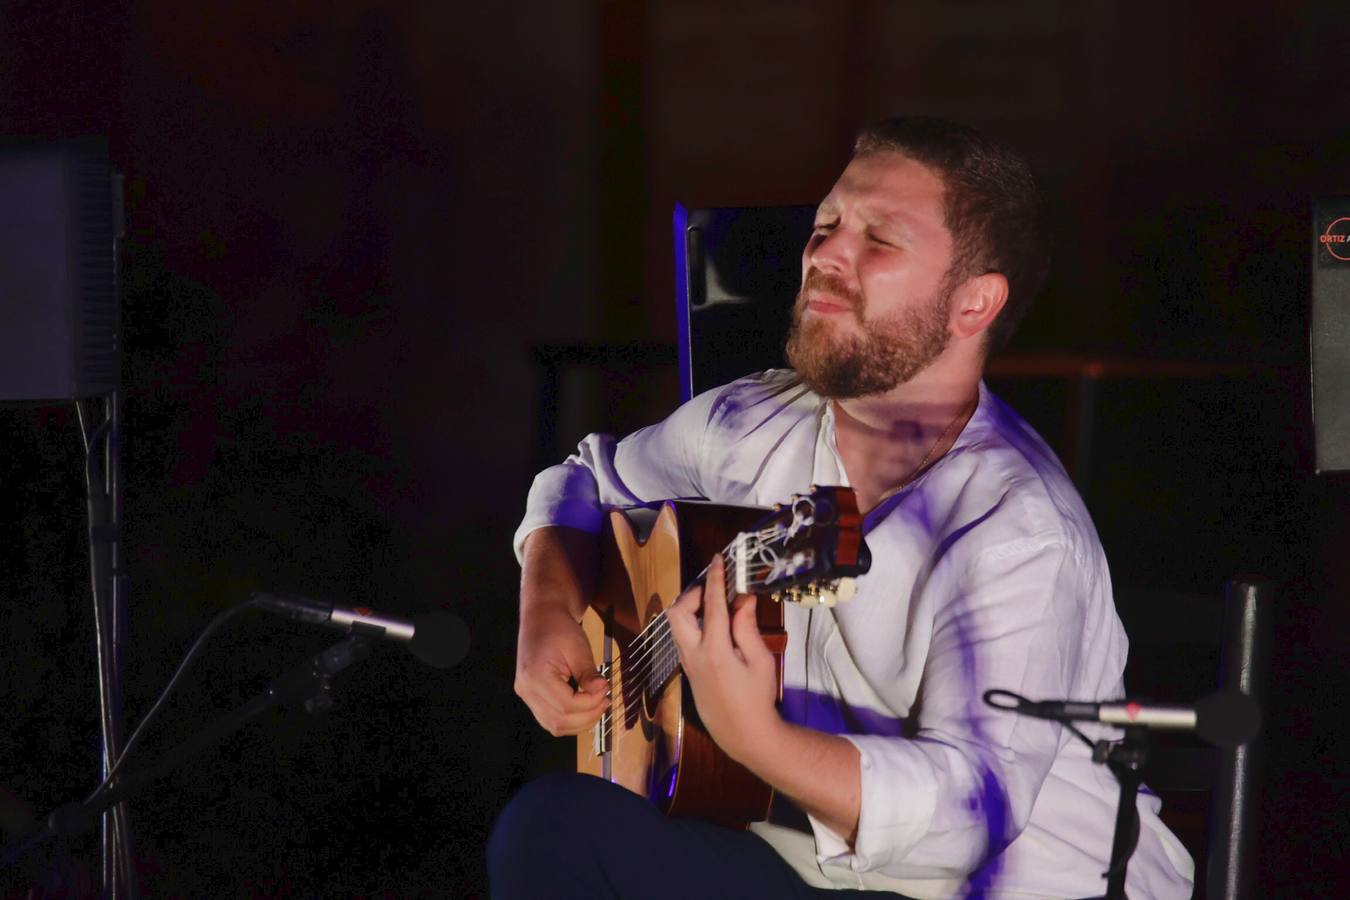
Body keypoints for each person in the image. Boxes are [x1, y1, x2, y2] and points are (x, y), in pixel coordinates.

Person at [491, 117, 1194, 898]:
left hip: (1012, 889)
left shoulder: (1015, 530)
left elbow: (972, 811)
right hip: (804, 866)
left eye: (879, 240)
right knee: (553, 824)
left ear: (972, 303)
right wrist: (548, 603)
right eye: (826, 225)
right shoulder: (751, 420)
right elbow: (587, 479)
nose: (825, 253)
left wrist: (755, 738)